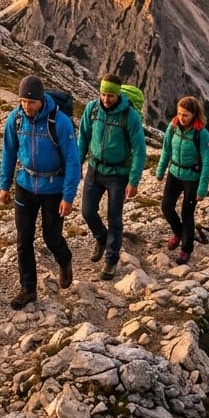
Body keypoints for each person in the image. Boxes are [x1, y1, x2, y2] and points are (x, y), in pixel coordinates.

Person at [0, 75, 81, 308]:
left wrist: (68, 196)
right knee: (23, 239)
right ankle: (28, 289)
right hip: (25, 185)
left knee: (51, 237)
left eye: (31, 102)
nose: (27, 106)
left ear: (42, 100)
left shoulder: (60, 122)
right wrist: (4, 185)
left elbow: (73, 160)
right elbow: (8, 152)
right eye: (23, 101)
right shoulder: (15, 120)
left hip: (53, 188)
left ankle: (65, 261)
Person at [78, 73, 147, 280]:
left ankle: (110, 261)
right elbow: (83, 137)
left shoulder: (130, 116)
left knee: (114, 217)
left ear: (118, 95)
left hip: (118, 174)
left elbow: (139, 150)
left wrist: (134, 181)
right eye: (103, 93)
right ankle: (101, 237)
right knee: (88, 212)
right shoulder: (92, 109)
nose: (106, 99)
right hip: (94, 168)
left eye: (110, 95)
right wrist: (76, 165)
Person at [156, 95, 209, 264]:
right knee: (166, 207)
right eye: (180, 113)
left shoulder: (201, 134)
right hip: (174, 172)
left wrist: (202, 189)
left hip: (192, 177)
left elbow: (207, 161)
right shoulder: (173, 127)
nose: (181, 117)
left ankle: (186, 249)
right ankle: (179, 232)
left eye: (185, 115)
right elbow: (166, 149)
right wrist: (160, 171)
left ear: (194, 114)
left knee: (187, 213)